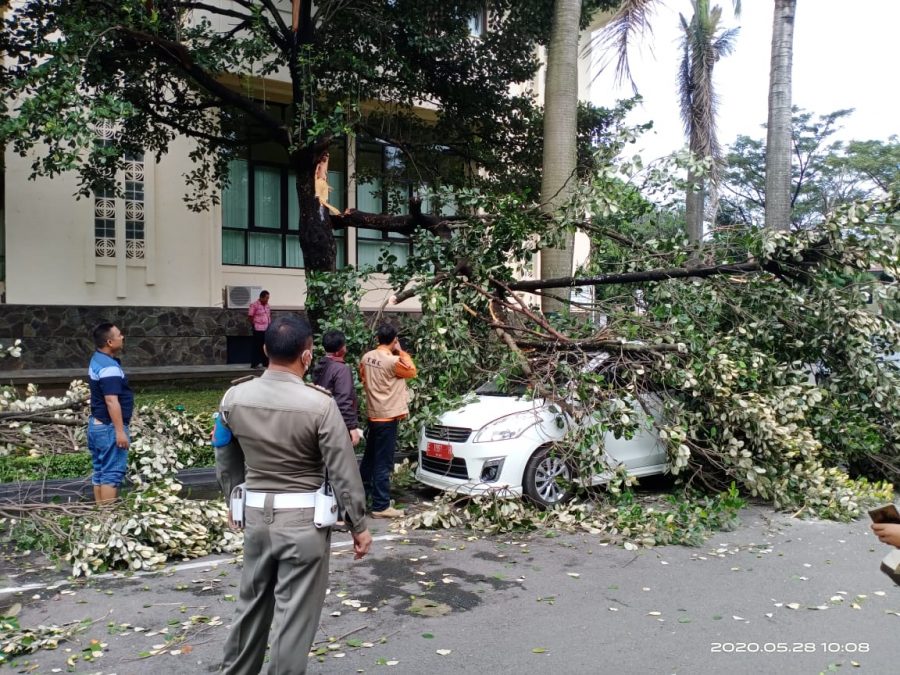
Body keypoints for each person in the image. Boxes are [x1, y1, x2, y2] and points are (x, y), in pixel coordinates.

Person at [215, 315, 372, 675]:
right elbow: (343, 469)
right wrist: (358, 524)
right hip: (304, 525)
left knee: (250, 605)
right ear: (306, 356)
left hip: (255, 518)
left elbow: (225, 456)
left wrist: (232, 501)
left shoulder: (233, 399)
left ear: (266, 349)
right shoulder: (320, 405)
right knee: (294, 618)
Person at [359, 323, 417, 518]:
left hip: (373, 413)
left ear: (377, 339)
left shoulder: (367, 358)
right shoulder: (392, 361)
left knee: (369, 460)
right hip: (387, 416)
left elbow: (363, 377)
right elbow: (411, 371)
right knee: (383, 462)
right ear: (394, 340)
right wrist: (401, 352)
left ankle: (359, 499)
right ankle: (381, 505)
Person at [87, 322, 133, 504]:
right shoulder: (109, 368)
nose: (122, 337)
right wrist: (119, 431)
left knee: (100, 471)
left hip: (96, 425)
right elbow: (111, 401)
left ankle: (99, 518)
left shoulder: (96, 359)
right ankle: (108, 520)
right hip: (108, 428)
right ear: (109, 342)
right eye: (119, 335)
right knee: (111, 474)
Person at [312, 330, 362, 447]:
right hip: (337, 424)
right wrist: (352, 427)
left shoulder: (320, 364)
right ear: (340, 350)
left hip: (321, 421)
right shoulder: (341, 369)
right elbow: (343, 399)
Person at [247, 290, 271, 368]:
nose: (267, 300)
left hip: (266, 329)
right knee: (257, 346)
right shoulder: (254, 305)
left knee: (265, 346)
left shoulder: (267, 305)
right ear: (261, 297)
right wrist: (254, 324)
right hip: (258, 329)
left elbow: (268, 315)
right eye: (266, 298)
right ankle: (254, 363)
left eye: (268, 298)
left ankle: (265, 363)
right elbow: (250, 316)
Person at [315, 152, 342, 217]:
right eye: (325, 156)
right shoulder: (318, 164)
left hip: (324, 183)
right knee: (320, 201)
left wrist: (327, 186)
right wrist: (316, 189)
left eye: (327, 156)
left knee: (324, 201)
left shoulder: (325, 164)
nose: (326, 157)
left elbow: (325, 175)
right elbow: (315, 174)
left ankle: (324, 215)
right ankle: (335, 212)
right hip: (319, 182)